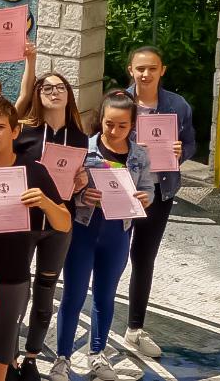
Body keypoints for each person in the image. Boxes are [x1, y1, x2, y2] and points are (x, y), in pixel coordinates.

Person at [0, 95, 72, 381]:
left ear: (15, 131)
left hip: (10, 278)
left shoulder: (34, 170)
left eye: (0, 127)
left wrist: (45, 202)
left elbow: (65, 223)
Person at [49, 90, 157, 381]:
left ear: (132, 125)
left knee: (105, 295)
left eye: (122, 125)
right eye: (109, 123)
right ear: (101, 120)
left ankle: (97, 354)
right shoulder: (85, 148)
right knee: (73, 294)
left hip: (118, 234)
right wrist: (84, 194)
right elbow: (67, 189)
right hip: (84, 230)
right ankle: (63, 358)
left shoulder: (140, 154)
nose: (115, 130)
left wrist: (145, 197)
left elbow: (149, 187)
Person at [9, 62, 85, 379]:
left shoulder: (81, 138)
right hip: (24, 222)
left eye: (60, 87)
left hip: (57, 225)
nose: (53, 92)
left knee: (45, 290)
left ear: (69, 95)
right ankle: (9, 357)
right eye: (46, 88)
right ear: (38, 96)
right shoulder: (23, 132)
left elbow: (79, 182)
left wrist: (82, 183)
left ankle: (31, 358)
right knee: (17, 291)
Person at [120, 46, 194, 359]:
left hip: (159, 194)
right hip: (122, 191)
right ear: (131, 71)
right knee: (111, 258)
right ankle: (98, 326)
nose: (146, 74)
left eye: (152, 68)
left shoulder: (177, 105)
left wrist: (181, 152)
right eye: (140, 69)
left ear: (162, 70)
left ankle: (135, 328)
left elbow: (190, 142)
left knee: (144, 258)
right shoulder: (119, 102)